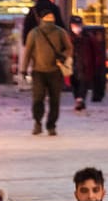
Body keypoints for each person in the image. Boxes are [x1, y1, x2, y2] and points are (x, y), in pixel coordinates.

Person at [24, 9, 72, 137]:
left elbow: (27, 53)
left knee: (39, 99)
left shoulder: (34, 33)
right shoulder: (60, 32)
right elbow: (69, 48)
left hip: (39, 70)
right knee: (54, 100)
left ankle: (39, 123)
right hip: (53, 71)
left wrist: (23, 69)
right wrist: (63, 56)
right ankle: (50, 126)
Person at [68, 15, 101, 111]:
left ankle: (80, 99)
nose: (77, 27)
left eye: (78, 25)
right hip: (73, 64)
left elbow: (96, 51)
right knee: (74, 82)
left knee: (83, 82)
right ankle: (78, 99)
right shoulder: (68, 38)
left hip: (85, 64)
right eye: (75, 25)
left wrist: (97, 63)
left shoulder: (88, 37)